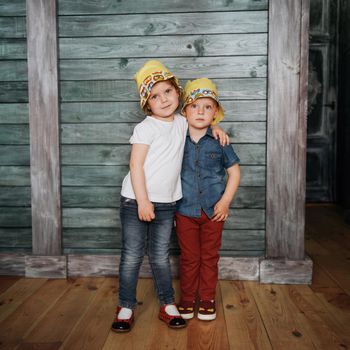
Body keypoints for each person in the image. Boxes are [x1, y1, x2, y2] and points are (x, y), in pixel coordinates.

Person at [111, 61, 229, 333]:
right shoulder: (146, 128)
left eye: (167, 92)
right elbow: (135, 165)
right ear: (146, 103)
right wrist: (142, 200)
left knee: (160, 256)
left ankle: (167, 304)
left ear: (178, 94)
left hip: (166, 204)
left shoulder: (181, 122)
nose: (163, 99)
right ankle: (126, 305)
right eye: (155, 96)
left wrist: (218, 129)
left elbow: (203, 123)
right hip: (135, 201)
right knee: (131, 255)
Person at [175, 78, 241, 321]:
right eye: (194, 106)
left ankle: (207, 299)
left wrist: (225, 202)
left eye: (207, 107)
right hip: (184, 211)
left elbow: (234, 172)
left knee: (209, 257)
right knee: (189, 257)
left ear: (215, 113)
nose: (200, 111)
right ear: (184, 112)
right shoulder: (176, 139)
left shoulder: (220, 141)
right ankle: (188, 298)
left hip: (214, 211)